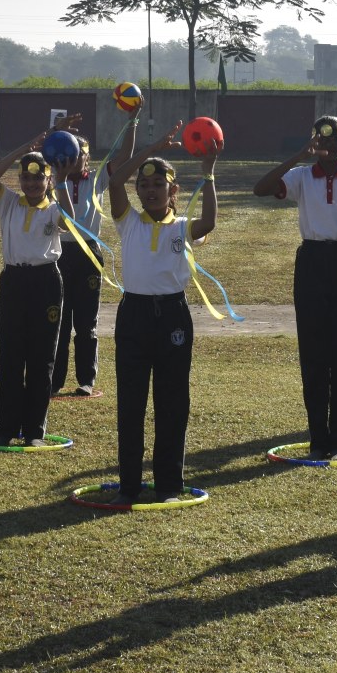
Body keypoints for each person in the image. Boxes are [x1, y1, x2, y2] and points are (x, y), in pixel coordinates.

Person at [252, 115, 337, 462]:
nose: (328, 147)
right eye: (322, 141)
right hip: (311, 261)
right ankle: (317, 439)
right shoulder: (300, 176)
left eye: (335, 141)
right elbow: (261, 189)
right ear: (314, 142)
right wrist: (297, 157)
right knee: (313, 353)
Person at [106, 121, 219, 500]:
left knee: (172, 403)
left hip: (172, 316)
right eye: (144, 185)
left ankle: (169, 484)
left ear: (173, 191)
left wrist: (209, 175)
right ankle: (129, 486)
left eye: (158, 184)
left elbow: (209, 222)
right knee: (131, 403)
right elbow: (114, 181)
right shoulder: (128, 222)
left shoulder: (182, 227)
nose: (150, 190)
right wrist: (151, 148)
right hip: (134, 315)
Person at [0, 129, 68, 445]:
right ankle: (5, 430)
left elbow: (70, 221)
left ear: (49, 180)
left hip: (45, 282)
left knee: (41, 357)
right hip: (13, 282)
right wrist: (21, 149)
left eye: (38, 178)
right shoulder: (9, 203)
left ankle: (34, 431)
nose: (31, 184)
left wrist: (62, 181)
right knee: (10, 356)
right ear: (19, 179)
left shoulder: (54, 209)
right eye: (26, 178)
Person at [53, 114, 140, 397]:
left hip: (88, 252)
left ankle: (86, 380)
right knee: (60, 322)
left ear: (88, 157)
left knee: (86, 322)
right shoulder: (53, 177)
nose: (76, 159)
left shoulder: (96, 178)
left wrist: (132, 121)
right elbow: (42, 151)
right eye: (71, 153)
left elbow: (125, 155)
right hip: (59, 253)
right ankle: (54, 380)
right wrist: (55, 132)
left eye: (81, 153)